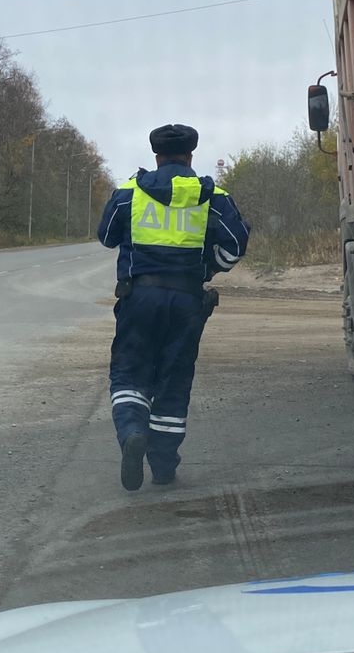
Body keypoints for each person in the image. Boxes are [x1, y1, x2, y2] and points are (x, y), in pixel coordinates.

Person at [97, 123, 250, 491]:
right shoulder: (213, 195)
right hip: (185, 302)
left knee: (130, 373)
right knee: (174, 378)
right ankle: (163, 466)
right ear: (190, 156)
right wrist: (210, 267)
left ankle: (133, 432)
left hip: (139, 298)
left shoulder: (130, 193)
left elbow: (106, 236)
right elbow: (234, 247)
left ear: (156, 156)